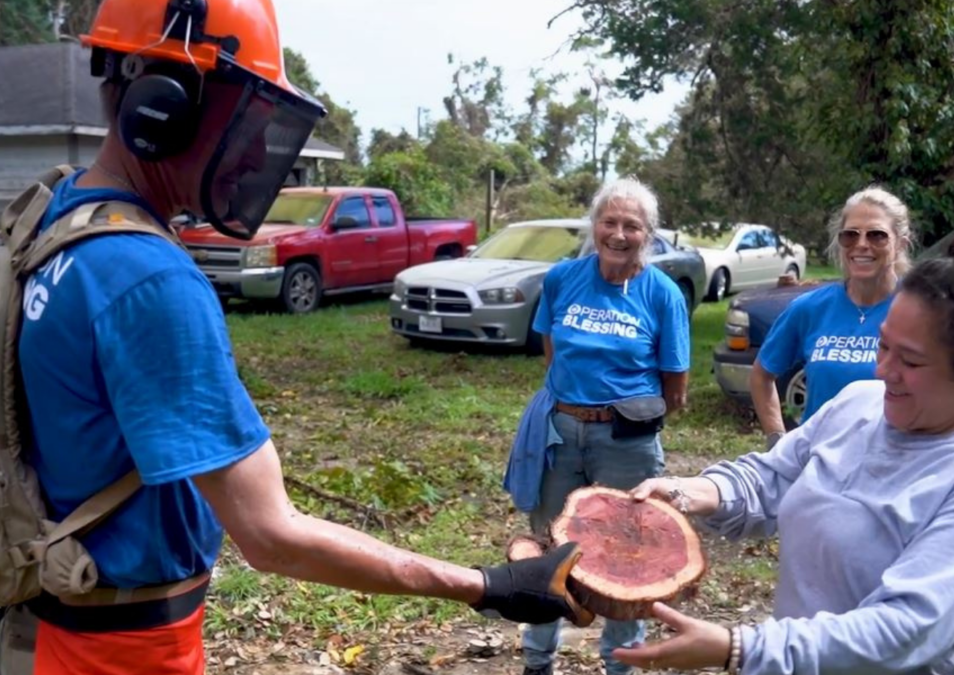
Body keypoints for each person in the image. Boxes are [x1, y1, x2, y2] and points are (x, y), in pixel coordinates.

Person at [0, 2, 588, 673]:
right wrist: (487, 584)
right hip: (123, 647)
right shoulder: (147, 278)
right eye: (240, 119)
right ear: (164, 106)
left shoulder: (58, 220)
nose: (253, 152)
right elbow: (272, 536)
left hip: (58, 623)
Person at [616, 230, 954, 674]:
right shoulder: (860, 402)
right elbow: (774, 477)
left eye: (910, 362)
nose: (883, 370)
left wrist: (739, 648)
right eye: (883, 345)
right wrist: (690, 491)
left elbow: (900, 632)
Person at [510, 177, 691, 675]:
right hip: (560, 434)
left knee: (629, 559)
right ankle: (537, 662)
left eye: (631, 225)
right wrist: (579, 407)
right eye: (608, 222)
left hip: (626, 443)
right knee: (549, 551)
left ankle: (621, 665)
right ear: (594, 226)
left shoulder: (662, 294)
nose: (618, 233)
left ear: (648, 234)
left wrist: (623, 417)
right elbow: (553, 352)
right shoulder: (564, 278)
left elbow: (675, 384)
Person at [749, 187, 913, 448]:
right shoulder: (809, 308)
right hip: (819, 466)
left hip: (894, 466)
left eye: (877, 235)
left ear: (900, 243)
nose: (861, 244)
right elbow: (761, 376)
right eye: (850, 235)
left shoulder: (921, 310)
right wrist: (777, 440)